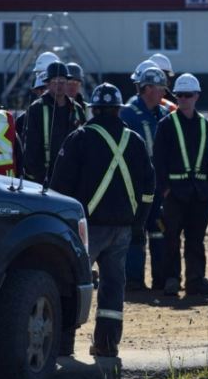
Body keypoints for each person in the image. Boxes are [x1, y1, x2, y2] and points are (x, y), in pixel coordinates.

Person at [51, 83, 155, 358]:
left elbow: (59, 187)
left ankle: (63, 345)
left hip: (86, 228)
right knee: (113, 288)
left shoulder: (80, 138)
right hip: (122, 228)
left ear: (93, 109)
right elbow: (148, 188)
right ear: (118, 109)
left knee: (72, 283)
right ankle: (107, 345)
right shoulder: (135, 140)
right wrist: (138, 224)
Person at [154, 73, 208, 297]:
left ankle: (195, 280)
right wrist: (165, 190)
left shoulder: (206, 125)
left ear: (197, 96)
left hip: (199, 194)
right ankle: (172, 279)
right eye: (180, 95)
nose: (183, 99)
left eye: (188, 95)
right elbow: (158, 160)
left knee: (195, 240)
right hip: (175, 194)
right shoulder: (166, 125)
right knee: (171, 238)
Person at [121, 66, 170, 291]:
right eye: (160, 89)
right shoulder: (128, 113)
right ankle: (133, 281)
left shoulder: (162, 114)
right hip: (135, 187)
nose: (163, 93)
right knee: (136, 233)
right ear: (147, 88)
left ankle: (160, 279)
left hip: (158, 187)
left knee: (159, 231)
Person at [23, 61, 86, 185]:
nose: (59, 85)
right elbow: (30, 151)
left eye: (62, 81)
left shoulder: (77, 109)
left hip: (72, 179)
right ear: (47, 83)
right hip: (45, 180)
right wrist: (43, 179)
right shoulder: (36, 109)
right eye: (55, 81)